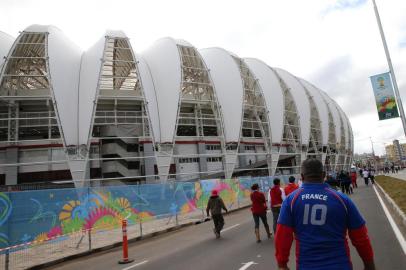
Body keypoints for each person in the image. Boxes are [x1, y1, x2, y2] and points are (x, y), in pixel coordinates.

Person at [275, 158, 375, 270]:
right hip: (340, 265)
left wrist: (282, 265)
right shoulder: (342, 199)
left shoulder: (291, 201)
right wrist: (369, 265)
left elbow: (282, 238)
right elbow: (361, 237)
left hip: (306, 266)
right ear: (324, 175)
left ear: (302, 177)